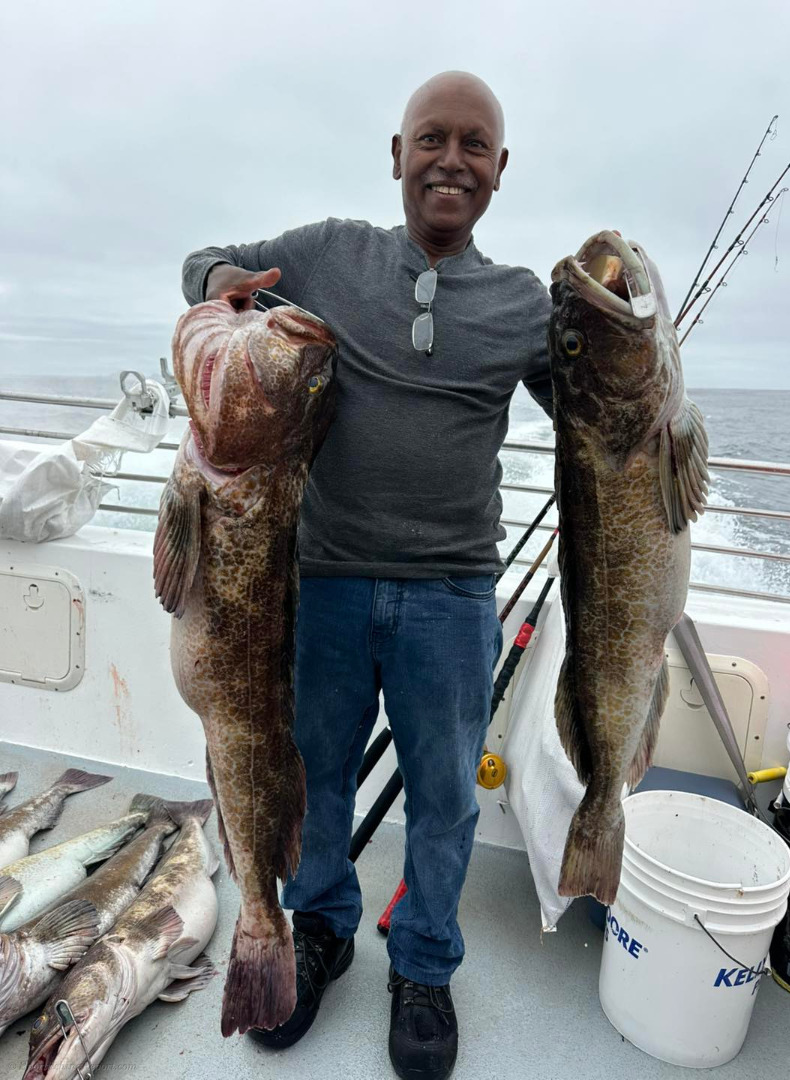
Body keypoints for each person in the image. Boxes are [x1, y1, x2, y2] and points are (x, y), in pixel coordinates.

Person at [182, 70, 552, 1080]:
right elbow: (209, 263)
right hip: (324, 585)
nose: (451, 160)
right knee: (314, 775)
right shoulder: (325, 255)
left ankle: (425, 963)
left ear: (500, 172)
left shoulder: (524, 305)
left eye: (475, 146)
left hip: (453, 597)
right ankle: (320, 928)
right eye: (431, 139)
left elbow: (603, 414)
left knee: (446, 797)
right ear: (396, 154)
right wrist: (218, 284)